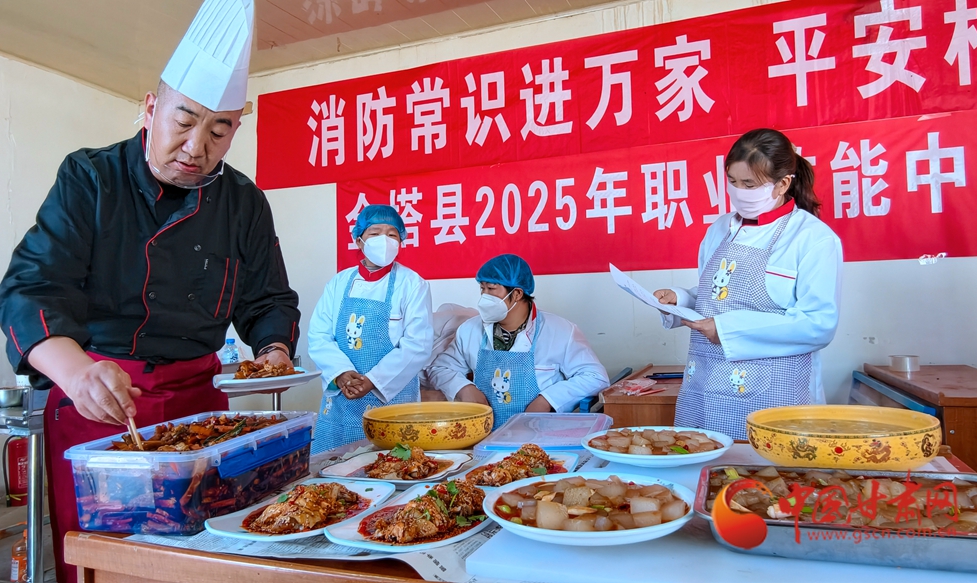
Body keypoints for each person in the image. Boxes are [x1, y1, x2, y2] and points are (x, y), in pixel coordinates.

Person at [0, 2, 300, 581]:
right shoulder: (91, 178)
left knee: (200, 560)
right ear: (150, 107)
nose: (196, 147)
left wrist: (273, 353)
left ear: (236, 131)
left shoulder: (243, 202)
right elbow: (32, 288)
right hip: (99, 406)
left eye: (219, 131)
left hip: (200, 410)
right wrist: (77, 374)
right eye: (183, 121)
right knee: (107, 563)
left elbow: (268, 298)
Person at [654, 128, 842, 440]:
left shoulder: (812, 238)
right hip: (707, 386)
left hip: (775, 393)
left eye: (750, 184)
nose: (739, 191)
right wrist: (681, 299)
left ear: (782, 183)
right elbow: (718, 296)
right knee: (705, 458)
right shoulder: (719, 229)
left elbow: (818, 324)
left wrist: (727, 330)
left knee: (766, 465)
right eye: (733, 181)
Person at [427, 254, 609, 429]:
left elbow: (595, 377)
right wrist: (463, 388)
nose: (484, 297)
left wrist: (547, 400)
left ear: (517, 294)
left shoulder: (561, 331)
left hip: (541, 433)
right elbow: (440, 368)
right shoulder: (470, 330)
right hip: (482, 433)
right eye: (482, 289)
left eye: (491, 289)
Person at [309, 205, 433, 453]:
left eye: (392, 234)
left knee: (390, 465)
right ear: (359, 241)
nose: (384, 240)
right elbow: (319, 335)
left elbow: (417, 345)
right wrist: (342, 373)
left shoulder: (413, 285)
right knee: (331, 467)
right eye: (375, 233)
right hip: (342, 398)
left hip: (392, 400)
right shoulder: (338, 283)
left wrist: (373, 381)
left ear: (401, 242)